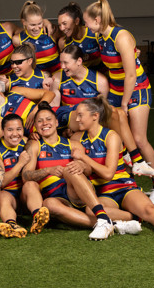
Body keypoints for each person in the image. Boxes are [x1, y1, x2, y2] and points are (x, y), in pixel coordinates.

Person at [71, 97, 154, 244]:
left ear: (95, 116)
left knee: (149, 210)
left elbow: (108, 173)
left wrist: (83, 157)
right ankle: (135, 217)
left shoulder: (111, 136)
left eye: (80, 115)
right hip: (102, 192)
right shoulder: (76, 138)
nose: (77, 119)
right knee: (91, 211)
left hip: (123, 185)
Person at [84, 0, 154, 203]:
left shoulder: (121, 36)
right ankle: (131, 185)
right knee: (119, 140)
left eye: (87, 22)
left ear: (97, 19)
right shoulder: (101, 37)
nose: (86, 27)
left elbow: (130, 75)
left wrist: (123, 103)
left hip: (136, 89)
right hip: (116, 90)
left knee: (138, 139)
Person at [50, 45, 154, 178]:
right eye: (61, 62)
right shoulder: (57, 78)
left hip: (90, 122)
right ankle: (130, 155)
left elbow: (103, 112)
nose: (62, 66)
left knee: (118, 113)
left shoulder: (99, 80)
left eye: (66, 63)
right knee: (112, 112)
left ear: (79, 61)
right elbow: (53, 111)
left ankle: (132, 158)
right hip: (69, 117)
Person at [21, 102, 119, 240]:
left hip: (75, 191)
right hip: (56, 198)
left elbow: (89, 170)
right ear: (35, 127)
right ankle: (111, 223)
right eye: (40, 121)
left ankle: (102, 217)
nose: (44, 123)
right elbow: (26, 176)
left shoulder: (73, 143)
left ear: (56, 122)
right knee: (49, 204)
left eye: (48, 119)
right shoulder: (34, 145)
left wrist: (82, 166)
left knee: (69, 169)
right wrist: (48, 170)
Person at [0, 114, 50, 238]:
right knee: (2, 195)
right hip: (9, 194)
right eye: (10, 130)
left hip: (26, 195)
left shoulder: (25, 141)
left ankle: (37, 218)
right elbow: (1, 182)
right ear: (2, 131)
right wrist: (20, 163)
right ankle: (12, 225)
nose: (15, 134)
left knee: (31, 184)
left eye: (18, 129)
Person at [13, 0, 61, 74]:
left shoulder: (50, 31)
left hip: (58, 72)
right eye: (32, 25)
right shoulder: (18, 40)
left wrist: (46, 21)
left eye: (39, 23)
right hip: (38, 76)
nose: (36, 28)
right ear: (24, 22)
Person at [56, 2, 102, 71]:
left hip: (102, 74)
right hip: (80, 77)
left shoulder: (94, 33)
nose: (62, 28)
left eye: (64, 23)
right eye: (59, 25)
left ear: (77, 21)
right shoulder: (63, 43)